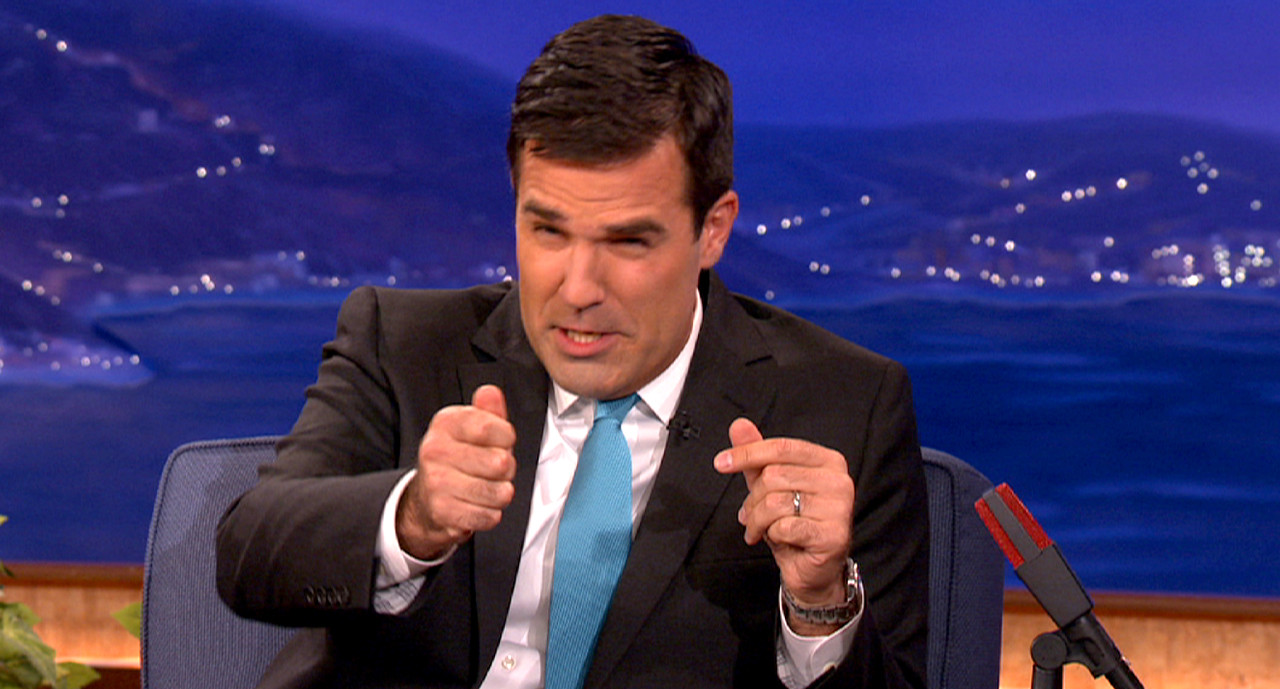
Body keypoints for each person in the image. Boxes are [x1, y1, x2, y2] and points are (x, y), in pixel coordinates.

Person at [217, 14, 928, 689]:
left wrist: (820, 603)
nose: (578, 289)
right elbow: (250, 551)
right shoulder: (402, 343)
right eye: (549, 232)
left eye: (628, 241)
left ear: (713, 230)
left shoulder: (844, 405)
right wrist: (414, 520)